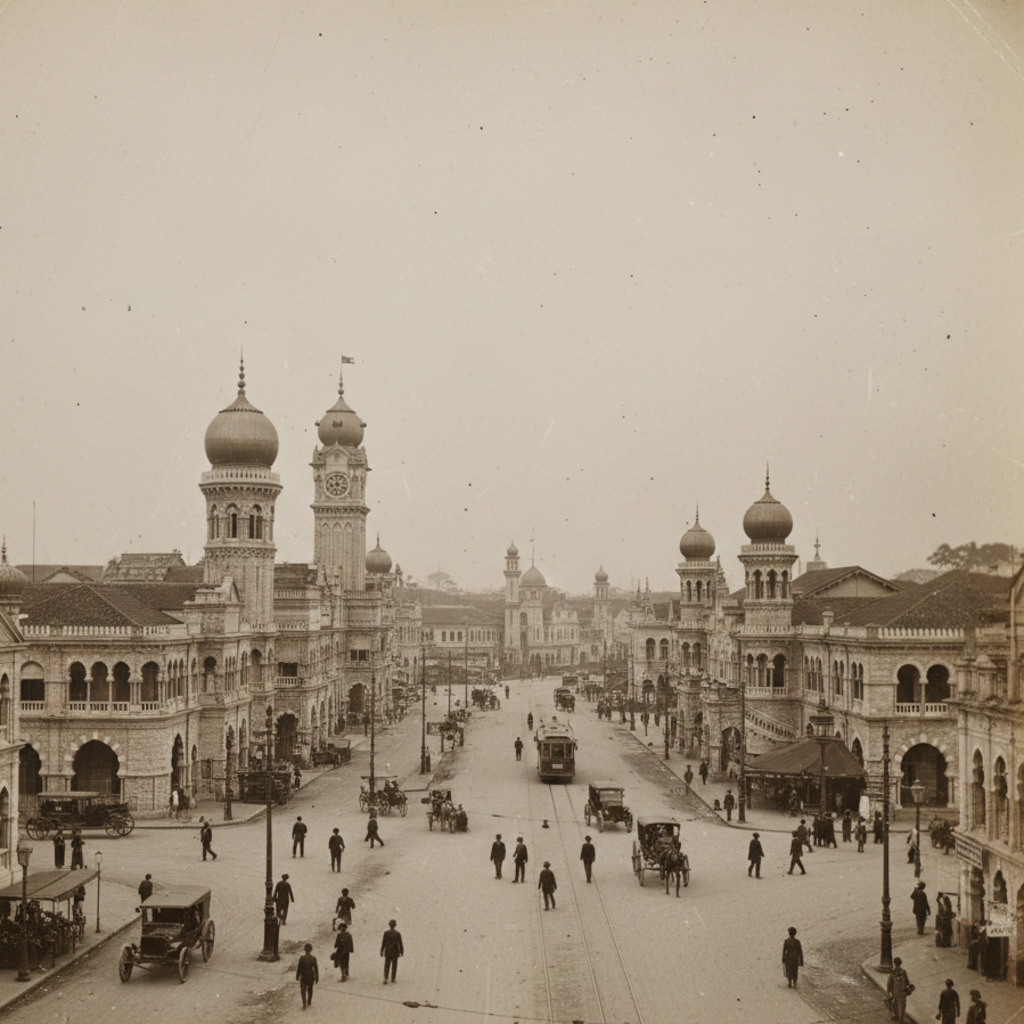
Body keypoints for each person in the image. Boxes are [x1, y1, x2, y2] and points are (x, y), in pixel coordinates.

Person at [886, 957, 913, 1023]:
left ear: (894, 963)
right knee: (902, 1006)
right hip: (902, 992)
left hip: (895, 992)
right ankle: (901, 1019)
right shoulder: (903, 972)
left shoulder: (893, 972)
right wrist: (908, 987)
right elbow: (907, 982)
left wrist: (888, 992)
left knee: (895, 1005)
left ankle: (897, 1017)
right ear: (900, 963)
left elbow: (889, 983)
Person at [296, 942, 319, 1009]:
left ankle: (304, 1003)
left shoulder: (302, 958)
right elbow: (316, 969)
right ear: (311, 949)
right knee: (310, 989)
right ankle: (309, 1001)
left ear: (304, 949)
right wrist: (316, 978)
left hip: (304, 976)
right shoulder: (313, 958)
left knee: (303, 990)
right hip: (311, 976)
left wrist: (297, 976)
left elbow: (299, 968)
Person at [380, 919, 403, 983]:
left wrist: (381, 950)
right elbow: (400, 943)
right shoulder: (398, 933)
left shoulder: (386, 933)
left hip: (388, 951)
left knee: (387, 965)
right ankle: (393, 978)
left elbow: (383, 943)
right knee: (394, 965)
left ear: (389, 925)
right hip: (395, 952)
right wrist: (401, 951)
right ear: (395, 925)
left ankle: (385, 978)